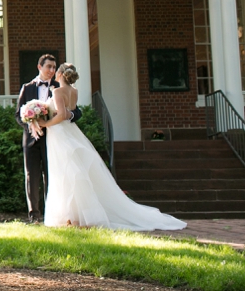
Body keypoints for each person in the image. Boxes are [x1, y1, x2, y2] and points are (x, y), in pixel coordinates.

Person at [33, 63, 187, 230]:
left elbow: (62, 115)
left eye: (57, 70)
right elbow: (71, 112)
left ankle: (72, 216)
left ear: (61, 74)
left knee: (65, 171)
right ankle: (73, 216)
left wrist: (45, 123)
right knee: (73, 172)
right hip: (71, 132)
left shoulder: (57, 91)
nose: (54, 73)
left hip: (61, 134)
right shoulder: (74, 92)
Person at [14, 53, 82, 224]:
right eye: (48, 67)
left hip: (54, 139)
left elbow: (77, 111)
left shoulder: (59, 86)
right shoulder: (27, 87)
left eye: (54, 67)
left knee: (52, 176)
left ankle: (51, 214)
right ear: (39, 67)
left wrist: (68, 115)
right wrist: (32, 124)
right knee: (32, 175)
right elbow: (18, 114)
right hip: (31, 139)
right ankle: (34, 215)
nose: (52, 70)